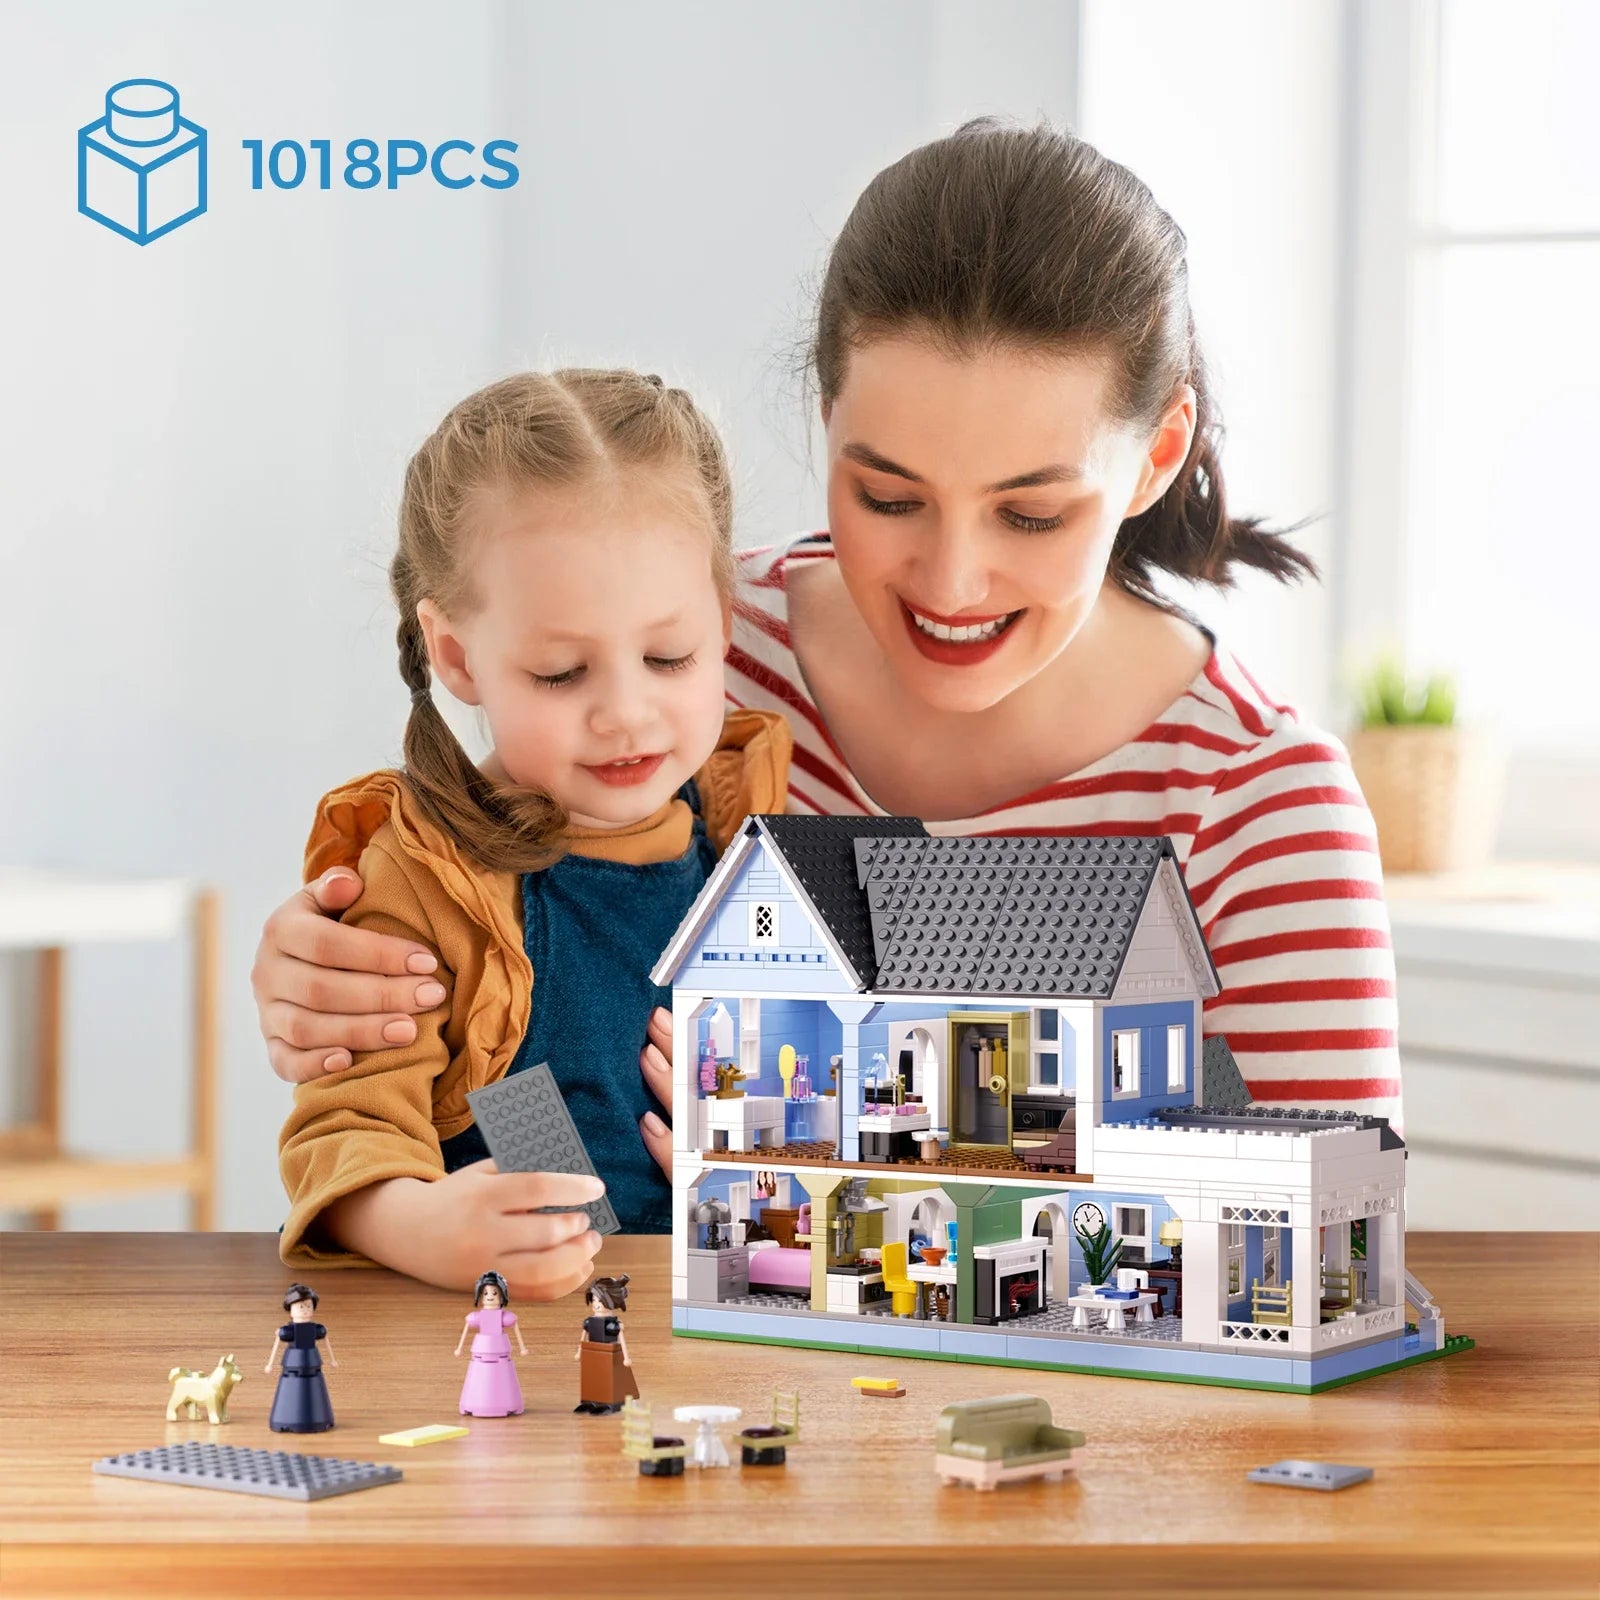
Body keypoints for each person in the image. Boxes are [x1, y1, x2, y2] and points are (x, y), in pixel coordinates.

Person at [254, 119, 1401, 1154]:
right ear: (827, 420)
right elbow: (486, 975)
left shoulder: (1258, 805)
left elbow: (1326, 1261)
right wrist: (350, 982)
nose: (950, 581)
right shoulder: (684, 661)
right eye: (888, 496)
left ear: (1155, 454)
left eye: (1031, 513)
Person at [275, 369, 792, 1300]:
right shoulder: (431, 878)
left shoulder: (756, 842)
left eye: (668, 657)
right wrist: (423, 1224)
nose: (626, 714)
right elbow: (344, 1131)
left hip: (721, 1331)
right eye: (561, 673)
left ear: (721, 624)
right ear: (458, 658)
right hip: (511, 1351)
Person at [265, 1282, 337, 1433]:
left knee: (315, 1389)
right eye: (301, 1307)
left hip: (311, 1363)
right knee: (290, 1389)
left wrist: (332, 1359)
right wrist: (270, 1364)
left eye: (308, 1306)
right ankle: (286, 1418)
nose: (305, 1310)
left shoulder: (316, 1329)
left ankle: (319, 1418)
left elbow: (326, 1339)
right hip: (293, 1364)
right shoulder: (287, 1331)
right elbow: (277, 1342)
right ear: (290, 1309)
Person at [455, 1269, 528, 1418]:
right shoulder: (475, 1317)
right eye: (486, 1293)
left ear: (502, 1296)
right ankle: (475, 1402)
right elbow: (466, 1328)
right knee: (478, 1375)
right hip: (480, 1354)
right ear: (480, 1296)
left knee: (503, 1377)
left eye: (494, 1293)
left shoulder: (505, 1317)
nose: (489, 1297)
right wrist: (459, 1348)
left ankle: (506, 1402)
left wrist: (522, 1347)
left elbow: (515, 1326)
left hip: (500, 1354)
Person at [573, 1275, 636, 1415]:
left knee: (609, 1379)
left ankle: (609, 1403)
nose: (596, 1304)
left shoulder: (613, 1324)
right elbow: (583, 1336)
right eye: (594, 1299)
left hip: (610, 1354)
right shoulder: (589, 1321)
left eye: (600, 1300)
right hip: (592, 1353)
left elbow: (621, 1338)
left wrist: (626, 1357)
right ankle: (589, 1400)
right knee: (590, 1377)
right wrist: (579, 1351)